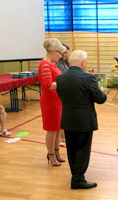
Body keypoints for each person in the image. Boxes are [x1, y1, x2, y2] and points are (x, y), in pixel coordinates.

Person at [56, 50, 107, 189]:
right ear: (83, 63)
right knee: (83, 149)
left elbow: (61, 96)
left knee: (71, 149)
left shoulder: (60, 78)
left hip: (68, 118)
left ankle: (75, 176)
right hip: (84, 120)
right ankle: (78, 179)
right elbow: (100, 99)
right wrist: (102, 93)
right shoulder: (89, 78)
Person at [39, 38, 66, 167]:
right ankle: (51, 155)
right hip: (50, 101)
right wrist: (65, 83)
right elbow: (48, 85)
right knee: (51, 129)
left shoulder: (53, 64)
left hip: (57, 100)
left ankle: (56, 152)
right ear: (53, 51)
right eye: (60, 53)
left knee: (57, 128)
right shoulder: (44, 64)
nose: (61, 56)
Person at [56, 43, 70, 146]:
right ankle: (60, 138)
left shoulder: (66, 63)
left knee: (65, 116)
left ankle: (64, 136)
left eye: (67, 52)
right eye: (65, 52)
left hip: (66, 91)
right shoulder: (57, 64)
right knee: (60, 116)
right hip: (60, 91)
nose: (66, 54)